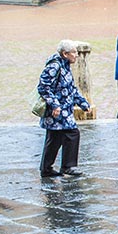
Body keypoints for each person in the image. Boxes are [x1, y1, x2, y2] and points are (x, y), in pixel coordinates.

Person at [37, 40, 92, 178]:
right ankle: (67, 166)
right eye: (74, 52)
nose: (77, 55)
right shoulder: (55, 66)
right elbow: (43, 87)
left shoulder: (65, 65)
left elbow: (71, 88)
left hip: (64, 109)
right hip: (57, 110)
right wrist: (55, 104)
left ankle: (47, 169)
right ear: (65, 54)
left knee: (55, 138)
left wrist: (83, 103)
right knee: (71, 133)